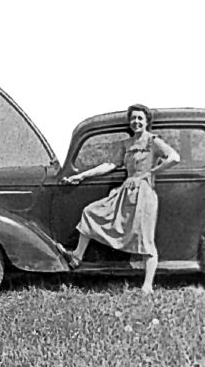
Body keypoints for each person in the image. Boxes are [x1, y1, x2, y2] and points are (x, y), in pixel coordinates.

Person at [58, 104, 180, 294]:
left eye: (140, 118)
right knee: (91, 212)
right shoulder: (127, 144)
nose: (136, 122)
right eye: (133, 119)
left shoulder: (153, 141)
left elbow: (174, 157)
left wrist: (150, 173)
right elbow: (110, 164)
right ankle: (77, 256)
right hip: (126, 192)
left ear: (147, 121)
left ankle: (147, 285)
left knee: (146, 239)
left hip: (145, 195)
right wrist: (82, 176)